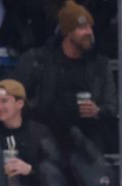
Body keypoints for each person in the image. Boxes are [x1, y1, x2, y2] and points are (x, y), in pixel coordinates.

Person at [13, 0, 117, 154]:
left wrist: (98, 111)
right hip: (47, 139)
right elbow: (17, 99)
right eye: (82, 27)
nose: (89, 32)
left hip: (88, 140)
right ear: (67, 32)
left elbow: (112, 105)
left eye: (90, 27)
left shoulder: (100, 65)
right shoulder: (38, 61)